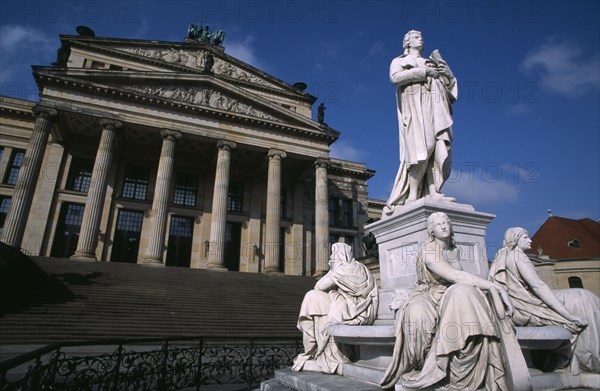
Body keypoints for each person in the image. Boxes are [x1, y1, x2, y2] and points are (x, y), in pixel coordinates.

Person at [381, 212, 513, 390]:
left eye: (446, 223)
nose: (443, 226)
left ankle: (461, 362)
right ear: (431, 231)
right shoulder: (428, 250)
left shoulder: (454, 250)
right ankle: (423, 365)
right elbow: (455, 275)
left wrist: (489, 287)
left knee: (464, 294)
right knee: (418, 314)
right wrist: (492, 286)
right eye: (438, 224)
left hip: (448, 293)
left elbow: (460, 279)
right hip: (427, 295)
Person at [489, 227, 600, 373]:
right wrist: (569, 316)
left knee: (581, 297)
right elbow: (538, 286)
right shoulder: (519, 257)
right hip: (529, 304)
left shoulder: (504, 256)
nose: (530, 240)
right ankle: (589, 358)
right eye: (525, 237)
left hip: (520, 304)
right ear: (515, 240)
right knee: (582, 298)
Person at [385, 30, 457, 214]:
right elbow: (395, 78)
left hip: (435, 108)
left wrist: (446, 74)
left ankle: (434, 191)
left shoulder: (430, 61)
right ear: (407, 42)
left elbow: (450, 89)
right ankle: (413, 195)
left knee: (438, 148)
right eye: (417, 37)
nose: (421, 38)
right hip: (415, 108)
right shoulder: (399, 61)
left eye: (421, 36)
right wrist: (424, 72)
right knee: (421, 149)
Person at [292, 242, 378, 374]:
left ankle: (324, 354)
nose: (331, 257)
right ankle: (322, 351)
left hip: (350, 309)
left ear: (340, 255)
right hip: (358, 309)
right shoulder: (360, 267)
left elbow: (319, 286)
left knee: (312, 297)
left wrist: (332, 270)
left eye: (333, 254)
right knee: (318, 302)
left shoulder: (343, 269)